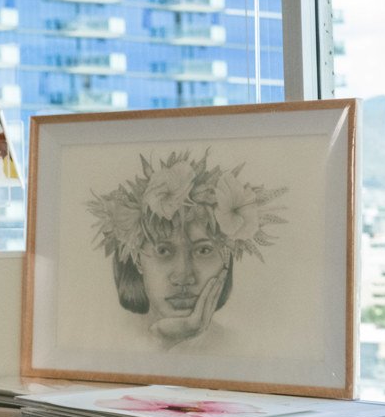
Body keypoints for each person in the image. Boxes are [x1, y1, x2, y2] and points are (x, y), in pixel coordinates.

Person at [88, 150, 286, 351]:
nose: (183, 276)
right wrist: (162, 340)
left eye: (203, 250)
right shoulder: (101, 340)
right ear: (137, 258)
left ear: (226, 258)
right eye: (163, 251)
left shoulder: (241, 348)